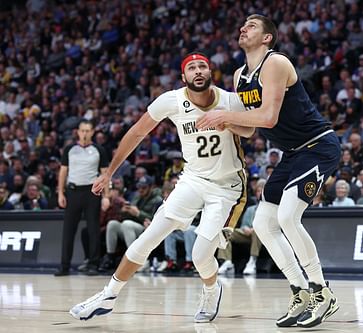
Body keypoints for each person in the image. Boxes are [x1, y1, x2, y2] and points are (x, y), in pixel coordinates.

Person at [69, 53, 253, 323]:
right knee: (149, 237)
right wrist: (110, 172)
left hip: (227, 187)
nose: (198, 71)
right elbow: (136, 133)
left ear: (210, 71)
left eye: (202, 66)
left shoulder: (230, 99)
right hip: (192, 179)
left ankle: (212, 289)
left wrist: (225, 120)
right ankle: (108, 295)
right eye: (191, 68)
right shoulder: (172, 100)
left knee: (201, 255)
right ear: (184, 77)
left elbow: (250, 131)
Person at [196, 15, 340, 328]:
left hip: (318, 145)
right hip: (293, 153)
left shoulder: (275, 63)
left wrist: (225, 113)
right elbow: (250, 131)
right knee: (263, 223)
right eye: (243, 25)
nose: (243, 28)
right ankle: (300, 291)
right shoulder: (239, 76)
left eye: (252, 25)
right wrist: (225, 122)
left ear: (267, 38)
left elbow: (269, 117)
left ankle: (322, 291)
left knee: (288, 217)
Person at [54, 119, 110, 276]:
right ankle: (64, 266)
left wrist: (107, 196)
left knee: (93, 229)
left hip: (92, 193)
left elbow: (105, 174)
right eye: (82, 130)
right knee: (68, 230)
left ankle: (93, 264)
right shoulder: (69, 149)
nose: (85, 133)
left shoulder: (99, 149)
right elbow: (63, 172)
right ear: (78, 132)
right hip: (73, 191)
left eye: (88, 130)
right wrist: (60, 192)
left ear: (92, 132)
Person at [218, 178, 265, 275]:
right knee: (224, 232)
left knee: (258, 231)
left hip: (263, 236)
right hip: (248, 235)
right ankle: (227, 262)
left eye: (262, 191)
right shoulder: (251, 209)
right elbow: (244, 224)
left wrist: (254, 229)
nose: (259, 193)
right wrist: (246, 228)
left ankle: (252, 261)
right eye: (258, 191)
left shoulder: (270, 209)